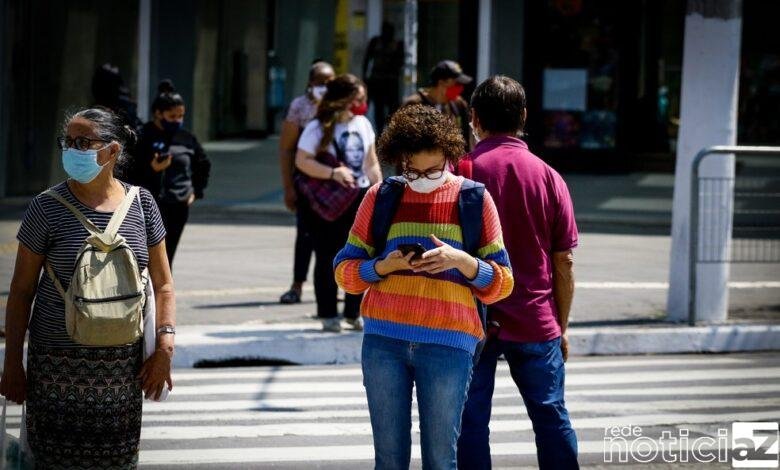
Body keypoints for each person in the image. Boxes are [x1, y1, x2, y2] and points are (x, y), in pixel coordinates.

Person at [334, 104, 514, 469]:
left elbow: (502, 284)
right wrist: (383, 265)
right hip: (384, 344)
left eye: (432, 170)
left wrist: (463, 262)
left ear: (450, 156)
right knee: (389, 460)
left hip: (449, 347)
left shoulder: (474, 199)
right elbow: (345, 273)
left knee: (440, 460)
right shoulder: (382, 196)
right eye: (411, 171)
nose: (421, 178)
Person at [0, 108, 175, 468]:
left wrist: (165, 349)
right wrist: (12, 364)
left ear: (112, 152)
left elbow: (164, 285)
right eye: (68, 141)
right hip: (55, 372)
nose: (71, 149)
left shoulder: (142, 205)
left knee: (118, 461)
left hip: (120, 376)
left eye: (83, 142)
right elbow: (20, 293)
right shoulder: (45, 209)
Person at [456, 76, 580, 469]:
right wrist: (561, 324)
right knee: (550, 418)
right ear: (524, 117)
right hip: (535, 317)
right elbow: (564, 262)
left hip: (473, 318)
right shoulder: (548, 176)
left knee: (470, 422)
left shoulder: (463, 171)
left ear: (474, 118)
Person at [295, 74, 382, 332]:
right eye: (358, 98)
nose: (362, 103)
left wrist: (378, 189)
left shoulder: (364, 124)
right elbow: (302, 161)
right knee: (327, 257)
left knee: (361, 254)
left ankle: (353, 311)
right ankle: (328, 313)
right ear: (343, 99)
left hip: (359, 198)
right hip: (328, 204)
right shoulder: (319, 127)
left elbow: (371, 161)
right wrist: (332, 173)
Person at [131, 80, 211, 267]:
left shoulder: (186, 138)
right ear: (158, 114)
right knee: (145, 256)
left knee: (168, 255)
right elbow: (128, 171)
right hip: (149, 205)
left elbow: (203, 164)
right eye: (172, 116)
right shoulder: (143, 136)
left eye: (181, 116)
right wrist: (152, 170)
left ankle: (164, 293)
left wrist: (195, 191)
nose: (177, 120)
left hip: (178, 204)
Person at [278, 61, 336, 305]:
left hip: (335, 186)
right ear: (310, 83)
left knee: (337, 238)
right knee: (305, 236)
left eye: (330, 82)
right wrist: (289, 186)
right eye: (321, 82)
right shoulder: (300, 107)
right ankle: (297, 285)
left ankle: (337, 287)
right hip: (307, 183)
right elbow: (286, 149)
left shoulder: (339, 106)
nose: (325, 87)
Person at [403, 60, 473, 147]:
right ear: (441, 83)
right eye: (456, 84)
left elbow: (465, 140)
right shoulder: (414, 104)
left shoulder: (459, 104)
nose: (460, 88)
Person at [362, 21, 404, 132]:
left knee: (392, 110)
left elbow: (400, 63)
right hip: (377, 80)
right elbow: (367, 59)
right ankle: (380, 133)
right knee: (378, 110)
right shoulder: (375, 42)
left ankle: (391, 133)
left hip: (390, 81)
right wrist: (365, 77)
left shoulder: (397, 44)